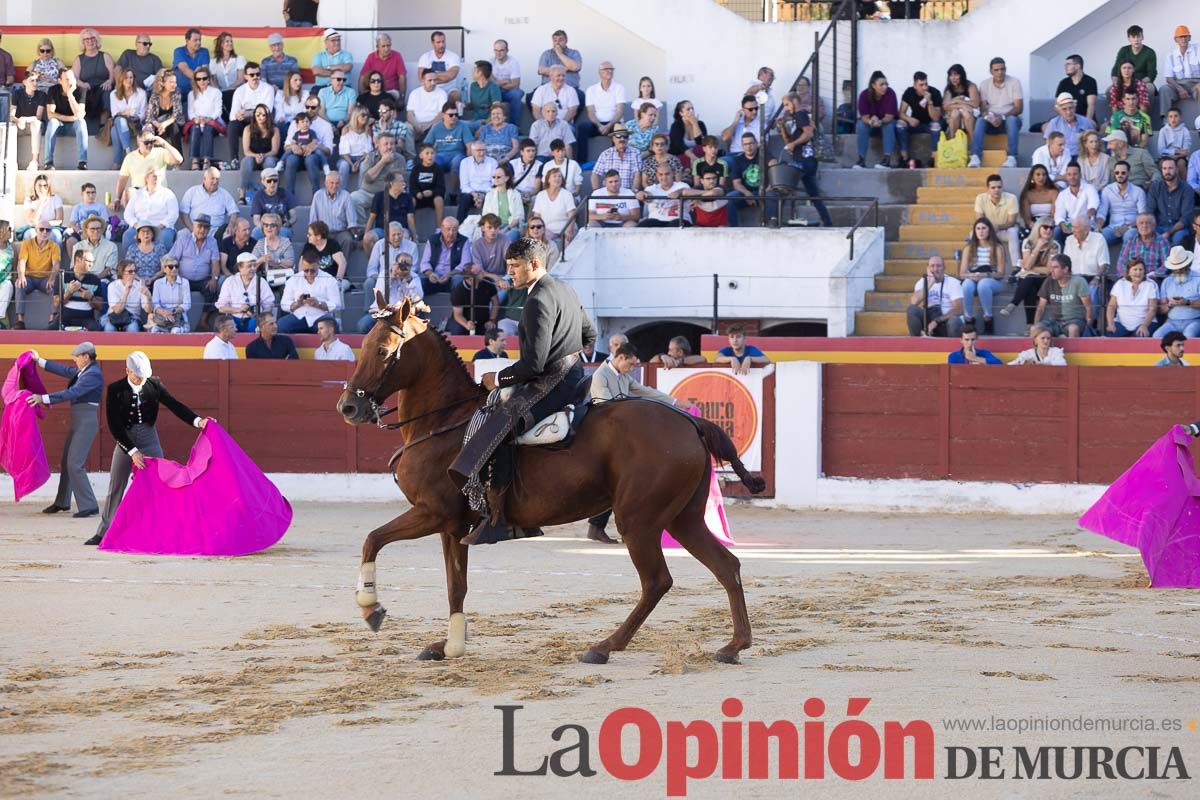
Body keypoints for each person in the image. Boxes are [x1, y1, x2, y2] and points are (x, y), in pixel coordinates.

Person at [452, 236, 597, 546]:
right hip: (574, 375)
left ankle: (500, 520)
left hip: (551, 383)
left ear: (534, 264)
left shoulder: (537, 301)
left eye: (514, 266)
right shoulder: (566, 290)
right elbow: (590, 334)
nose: (509, 273)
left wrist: (499, 378)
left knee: (499, 428)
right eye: (507, 266)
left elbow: (533, 365)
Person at [583, 342, 698, 545]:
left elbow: (646, 391)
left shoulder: (622, 376)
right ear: (620, 358)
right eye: (631, 363)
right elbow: (605, 407)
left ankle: (598, 527)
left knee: (621, 483)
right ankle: (601, 527)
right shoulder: (600, 376)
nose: (632, 368)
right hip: (602, 437)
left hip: (616, 434)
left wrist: (674, 402)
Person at [89, 351, 208, 545]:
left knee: (161, 483)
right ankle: (104, 532)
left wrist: (197, 421)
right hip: (125, 439)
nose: (142, 379)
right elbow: (115, 425)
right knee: (116, 484)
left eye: (144, 375)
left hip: (149, 437)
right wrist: (132, 451)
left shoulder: (154, 384)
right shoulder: (115, 390)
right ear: (127, 370)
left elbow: (174, 405)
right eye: (138, 375)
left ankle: (163, 529)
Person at [25, 343, 102, 518]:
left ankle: (89, 505)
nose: (74, 359)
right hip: (79, 420)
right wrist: (39, 360)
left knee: (74, 463)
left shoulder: (93, 375)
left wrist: (42, 398)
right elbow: (63, 370)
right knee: (67, 460)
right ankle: (62, 502)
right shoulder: (84, 371)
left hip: (86, 421)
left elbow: (72, 393)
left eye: (77, 356)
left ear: (86, 357)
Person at [1001, 217, 1059, 323]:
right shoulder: (1028, 242)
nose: (1048, 230)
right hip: (1029, 281)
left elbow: (1047, 270)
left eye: (1051, 228)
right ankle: (1030, 325)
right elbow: (1028, 266)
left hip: (1045, 281)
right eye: (1045, 227)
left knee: (1029, 277)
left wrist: (1030, 267)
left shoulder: (1054, 245)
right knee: (1030, 287)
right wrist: (1038, 247)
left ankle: (1014, 303)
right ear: (1038, 228)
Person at [969, 57, 1022, 169]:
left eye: (1002, 69)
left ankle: (1012, 157)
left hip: (1008, 121)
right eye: (996, 70)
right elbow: (983, 108)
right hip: (991, 120)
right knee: (980, 120)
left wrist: (1002, 117)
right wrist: (990, 117)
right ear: (991, 71)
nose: (1000, 72)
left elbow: (1019, 108)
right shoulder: (984, 84)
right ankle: (975, 157)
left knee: (1012, 119)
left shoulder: (1014, 82)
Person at [13, 222, 61, 330]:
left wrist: (52, 278)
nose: (44, 232)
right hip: (29, 278)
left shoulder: (54, 246)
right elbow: (22, 261)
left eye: (48, 230)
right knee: (19, 285)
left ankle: (52, 320)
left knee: (55, 287)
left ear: (51, 232)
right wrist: (21, 276)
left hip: (45, 279)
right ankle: (20, 321)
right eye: (41, 229)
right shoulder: (26, 243)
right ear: (36, 230)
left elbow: (56, 264)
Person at [577, 61, 627, 163]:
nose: (609, 71)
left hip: (613, 123)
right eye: (606, 69)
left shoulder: (619, 88)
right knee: (582, 127)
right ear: (600, 73)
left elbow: (620, 111)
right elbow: (590, 112)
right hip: (597, 124)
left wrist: (609, 125)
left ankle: (617, 162)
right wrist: (599, 125)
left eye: (611, 69)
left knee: (619, 130)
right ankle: (581, 162)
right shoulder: (591, 90)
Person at [278, 251, 340, 334]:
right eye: (306, 270)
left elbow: (336, 304)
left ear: (318, 265)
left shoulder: (329, 279)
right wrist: (298, 303)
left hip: (320, 317)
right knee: (280, 326)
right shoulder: (293, 280)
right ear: (302, 266)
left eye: (312, 270)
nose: (309, 273)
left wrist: (318, 304)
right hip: (298, 316)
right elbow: (284, 304)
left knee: (332, 326)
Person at [1033, 253, 1092, 338]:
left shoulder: (1079, 281)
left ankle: (1074, 351)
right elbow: (1041, 308)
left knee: (1073, 328)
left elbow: (1088, 307)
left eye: (1055, 267)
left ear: (1065, 269)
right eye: (1051, 267)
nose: (1051, 271)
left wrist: (1088, 326)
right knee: (1034, 329)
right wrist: (1036, 327)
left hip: (1075, 320)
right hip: (1054, 322)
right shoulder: (1048, 281)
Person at [359, 255, 423, 333]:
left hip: (402, 316)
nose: (404, 267)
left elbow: (419, 298)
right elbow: (379, 294)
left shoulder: (414, 277)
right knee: (363, 325)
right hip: (381, 313)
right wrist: (392, 277)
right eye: (402, 264)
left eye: (408, 265)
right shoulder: (384, 274)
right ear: (395, 264)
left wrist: (409, 280)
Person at [122, 169, 179, 252]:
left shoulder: (168, 194)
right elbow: (128, 213)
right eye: (154, 176)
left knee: (165, 238)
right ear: (146, 178)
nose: (157, 179)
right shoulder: (138, 194)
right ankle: (128, 264)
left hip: (161, 227)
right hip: (139, 227)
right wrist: (136, 225)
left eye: (159, 177)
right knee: (128, 236)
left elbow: (173, 214)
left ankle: (165, 264)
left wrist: (160, 226)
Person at [974, 174, 1021, 271]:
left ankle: (1016, 267)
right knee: (973, 234)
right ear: (988, 189)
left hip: (1004, 230)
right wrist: (989, 229)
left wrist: (998, 227)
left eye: (999, 187)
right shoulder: (980, 198)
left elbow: (1011, 222)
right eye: (993, 187)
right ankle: (976, 265)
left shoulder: (1011, 198)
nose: (996, 190)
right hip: (987, 230)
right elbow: (980, 221)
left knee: (1013, 232)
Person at [909, 255, 964, 337]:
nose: (935, 269)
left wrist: (937, 321)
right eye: (932, 266)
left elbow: (959, 309)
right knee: (912, 309)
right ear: (928, 268)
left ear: (944, 268)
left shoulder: (953, 282)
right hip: (928, 320)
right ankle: (917, 343)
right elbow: (914, 302)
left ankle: (952, 347)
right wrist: (930, 283)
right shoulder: (922, 282)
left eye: (938, 266)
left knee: (954, 321)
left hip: (946, 322)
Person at [43, 69, 88, 170]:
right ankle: (48, 162)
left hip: (73, 127)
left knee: (81, 123)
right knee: (52, 123)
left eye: (72, 79)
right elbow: (50, 114)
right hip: (58, 126)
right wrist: (71, 118)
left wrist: (70, 95)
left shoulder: (81, 90)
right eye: (67, 79)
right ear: (60, 81)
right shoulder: (53, 90)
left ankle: (82, 162)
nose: (70, 82)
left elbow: (79, 114)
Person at [897, 71, 942, 168]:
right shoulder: (909, 92)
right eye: (921, 85)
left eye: (926, 84)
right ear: (915, 86)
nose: (924, 87)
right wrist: (909, 119)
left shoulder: (935, 92)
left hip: (930, 124)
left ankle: (934, 158)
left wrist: (929, 101)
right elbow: (901, 113)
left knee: (936, 125)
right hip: (915, 124)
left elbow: (936, 117)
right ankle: (904, 158)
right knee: (900, 124)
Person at [1098, 159, 1149, 246]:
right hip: (1113, 228)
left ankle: (1126, 259)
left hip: (1132, 228)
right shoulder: (1107, 190)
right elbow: (1102, 212)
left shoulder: (1138, 191)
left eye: (1123, 173)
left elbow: (1142, 216)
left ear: (1129, 173)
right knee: (1099, 238)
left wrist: (1128, 227)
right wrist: (1098, 227)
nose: (1120, 175)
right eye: (1117, 173)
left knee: (1129, 236)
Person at [853, 71, 898, 169]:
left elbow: (889, 116)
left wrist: (880, 121)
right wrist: (871, 121)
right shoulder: (864, 95)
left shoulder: (890, 93)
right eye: (881, 84)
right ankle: (861, 160)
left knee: (889, 125)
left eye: (886, 84)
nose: (885, 87)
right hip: (872, 124)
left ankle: (887, 159)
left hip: (885, 122)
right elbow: (864, 116)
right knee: (861, 125)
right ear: (873, 85)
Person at [217, 251, 271, 332]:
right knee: (222, 325)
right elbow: (221, 307)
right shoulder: (230, 281)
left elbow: (269, 304)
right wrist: (238, 309)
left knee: (257, 324)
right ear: (240, 267)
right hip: (234, 318)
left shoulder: (261, 281)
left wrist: (258, 314)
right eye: (249, 266)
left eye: (254, 265)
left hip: (255, 319)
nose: (253, 268)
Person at [1148, 156, 1196, 246]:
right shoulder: (1155, 187)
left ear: (1177, 170)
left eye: (1170, 168)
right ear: (1161, 170)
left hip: (1180, 228)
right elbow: (1150, 211)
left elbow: (1186, 218)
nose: (1167, 171)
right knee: (1147, 236)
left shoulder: (1187, 189)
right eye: (1164, 168)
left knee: (1178, 239)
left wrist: (1169, 233)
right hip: (1159, 226)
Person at [1153, 247, 1200, 339]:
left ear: (1187, 265)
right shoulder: (1167, 281)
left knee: (1188, 337)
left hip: (1194, 321)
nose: (1178, 270)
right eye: (1175, 268)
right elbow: (1161, 310)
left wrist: (1187, 302)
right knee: (1156, 337)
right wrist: (1170, 305)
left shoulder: (1198, 278)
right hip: (1171, 322)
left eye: (1181, 267)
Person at [1104, 258, 1157, 337]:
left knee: (1141, 337)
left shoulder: (1150, 285)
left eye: (1141, 269)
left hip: (1143, 322)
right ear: (1128, 272)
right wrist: (1111, 324)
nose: (1138, 272)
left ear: (1144, 272)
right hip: (1121, 322)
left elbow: (1153, 309)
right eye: (1135, 269)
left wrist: (1144, 325)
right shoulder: (1120, 283)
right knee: (1110, 338)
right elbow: (1111, 306)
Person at [239, 104, 281, 201]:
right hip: (253, 156)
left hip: (268, 155)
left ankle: (270, 193)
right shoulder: (248, 129)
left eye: (263, 115)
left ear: (268, 116)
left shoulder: (274, 129)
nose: (260, 117)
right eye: (258, 115)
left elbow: (274, 150)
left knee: (269, 161)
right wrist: (256, 155)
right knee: (246, 161)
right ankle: (242, 194)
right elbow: (246, 151)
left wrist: (263, 155)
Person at [1111, 26, 1157, 110]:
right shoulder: (1124, 50)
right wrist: (1116, 83)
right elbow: (1115, 70)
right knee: (1109, 90)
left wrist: (1137, 84)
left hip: (1143, 82)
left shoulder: (1149, 52)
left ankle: (1145, 118)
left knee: (1150, 88)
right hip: (1124, 81)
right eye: (1133, 37)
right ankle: (1118, 118)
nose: (1136, 40)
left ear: (1142, 37)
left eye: (1138, 36)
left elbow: (1152, 74)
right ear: (1129, 39)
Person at [1160, 25, 1200, 122]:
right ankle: (1166, 121)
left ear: (1189, 38)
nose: (1183, 39)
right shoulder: (1171, 55)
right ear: (1175, 40)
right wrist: (1180, 89)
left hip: (1196, 83)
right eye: (1180, 37)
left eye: (1186, 36)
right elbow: (1169, 78)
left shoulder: (1198, 50)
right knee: (1164, 89)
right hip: (1178, 85)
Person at [109, 67, 147, 169]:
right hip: (120, 124)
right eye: (126, 78)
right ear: (121, 79)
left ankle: (117, 162)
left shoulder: (141, 93)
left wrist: (129, 114)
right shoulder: (113, 94)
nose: (129, 80)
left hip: (135, 124)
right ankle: (128, 152)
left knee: (116, 127)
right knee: (117, 124)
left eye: (131, 77)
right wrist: (126, 113)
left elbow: (143, 114)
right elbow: (114, 114)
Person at [1052, 163, 1099, 245]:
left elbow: (1093, 206)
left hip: (1086, 223)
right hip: (1070, 224)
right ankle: (1062, 256)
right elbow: (1059, 215)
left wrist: (1084, 220)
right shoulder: (1063, 194)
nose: (1072, 177)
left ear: (1080, 175)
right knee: (1057, 232)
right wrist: (1062, 224)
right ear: (1066, 176)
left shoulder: (1089, 188)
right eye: (1069, 174)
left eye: (1075, 174)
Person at [10, 73, 47, 172]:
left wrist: (24, 119)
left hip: (33, 123)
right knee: (10, 127)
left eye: (36, 81)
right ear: (24, 82)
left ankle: (34, 161)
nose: (35, 83)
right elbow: (12, 114)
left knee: (36, 124)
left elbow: (38, 116)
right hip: (20, 124)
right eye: (32, 80)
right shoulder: (17, 93)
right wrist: (18, 120)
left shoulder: (41, 95)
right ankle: (11, 161)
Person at [1117, 212, 1171, 279]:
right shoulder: (1130, 241)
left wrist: (1154, 274)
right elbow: (1121, 263)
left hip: (1153, 279)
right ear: (1137, 225)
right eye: (1141, 223)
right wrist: (1126, 276)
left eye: (1148, 223)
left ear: (1154, 225)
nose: (1144, 226)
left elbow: (1167, 264)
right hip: (1131, 279)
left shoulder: (1162, 241)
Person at [590, 124, 642, 193]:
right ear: (613, 138)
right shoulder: (606, 154)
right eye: (618, 136)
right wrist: (596, 193)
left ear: (628, 138)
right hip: (608, 194)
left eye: (625, 136)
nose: (622, 139)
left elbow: (637, 175)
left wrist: (632, 194)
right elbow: (595, 175)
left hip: (627, 194)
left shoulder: (635, 153)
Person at [447, 267, 498, 335]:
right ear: (470, 279)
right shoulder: (458, 291)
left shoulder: (488, 285)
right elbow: (458, 314)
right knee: (459, 332)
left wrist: (491, 320)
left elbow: (495, 302)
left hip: (484, 321)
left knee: (491, 333)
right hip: (463, 321)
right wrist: (466, 324)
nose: (483, 274)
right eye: (479, 273)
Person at [635, 164, 688, 228]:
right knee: (644, 225)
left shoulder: (682, 185)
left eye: (667, 174)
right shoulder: (651, 188)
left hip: (677, 220)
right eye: (661, 174)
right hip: (656, 220)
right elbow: (647, 194)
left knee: (675, 224)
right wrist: (641, 193)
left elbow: (685, 191)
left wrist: (678, 192)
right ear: (657, 175)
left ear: (673, 174)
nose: (664, 177)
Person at [484, 163, 527, 241]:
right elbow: (485, 215)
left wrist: (507, 228)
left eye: (499, 177)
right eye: (494, 177)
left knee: (506, 239)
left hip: (511, 227)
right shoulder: (489, 194)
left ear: (507, 178)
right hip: (494, 227)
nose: (495, 179)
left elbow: (519, 216)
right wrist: (494, 230)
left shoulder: (515, 194)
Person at [418, 30, 464, 104]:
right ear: (433, 43)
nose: (442, 45)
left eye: (443, 41)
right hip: (430, 88)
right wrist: (445, 77)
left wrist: (431, 76)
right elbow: (421, 77)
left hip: (449, 89)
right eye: (438, 42)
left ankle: (454, 115)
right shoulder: (425, 57)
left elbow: (452, 75)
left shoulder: (453, 56)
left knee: (456, 95)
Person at [458, 140, 498, 223]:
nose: (482, 153)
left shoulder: (492, 162)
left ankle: (492, 225)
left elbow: (494, 183)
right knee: (464, 198)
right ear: (472, 152)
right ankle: (460, 226)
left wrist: (483, 195)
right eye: (479, 150)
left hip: (487, 192)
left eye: (483, 150)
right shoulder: (465, 162)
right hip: (470, 193)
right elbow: (464, 185)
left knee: (493, 197)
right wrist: (475, 195)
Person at [1043, 93, 1094, 158]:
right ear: (1059, 110)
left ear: (1075, 107)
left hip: (1081, 158)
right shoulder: (1054, 123)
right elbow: (1048, 145)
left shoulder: (1085, 122)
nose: (1068, 112)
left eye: (1071, 108)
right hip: (1061, 158)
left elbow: (1093, 142)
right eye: (1064, 109)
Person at [536, 30, 583, 100]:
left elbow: (575, 67)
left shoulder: (574, 53)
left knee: (581, 97)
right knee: (530, 97)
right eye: (555, 40)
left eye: (560, 40)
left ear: (566, 41)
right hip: (548, 88)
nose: (557, 43)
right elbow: (541, 70)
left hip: (570, 88)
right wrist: (565, 69)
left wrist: (560, 54)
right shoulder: (546, 54)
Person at [302, 220, 349, 290]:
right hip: (315, 279)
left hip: (335, 279)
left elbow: (342, 263)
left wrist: (338, 280)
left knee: (337, 287)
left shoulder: (332, 244)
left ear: (318, 236)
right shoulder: (308, 246)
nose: (307, 236)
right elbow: (301, 264)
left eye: (310, 234)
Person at [534, 167, 578, 241]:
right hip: (547, 230)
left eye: (559, 176)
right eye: (554, 176)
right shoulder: (541, 195)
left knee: (567, 245)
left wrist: (569, 230)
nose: (557, 178)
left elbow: (572, 215)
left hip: (565, 229)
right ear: (548, 180)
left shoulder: (567, 194)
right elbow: (537, 216)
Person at [149, 257, 191, 333]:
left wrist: (172, 311)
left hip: (178, 316)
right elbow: (155, 303)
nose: (174, 269)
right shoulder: (158, 283)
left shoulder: (184, 282)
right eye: (171, 267)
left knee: (175, 332)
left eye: (176, 266)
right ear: (164, 269)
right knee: (154, 331)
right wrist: (164, 312)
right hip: (161, 317)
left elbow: (187, 304)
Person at [104, 260, 149, 332]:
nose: (133, 274)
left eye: (135, 271)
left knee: (132, 328)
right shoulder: (113, 286)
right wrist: (126, 292)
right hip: (115, 317)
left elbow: (148, 310)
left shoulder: (139, 285)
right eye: (130, 271)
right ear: (121, 273)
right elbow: (117, 310)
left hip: (133, 317)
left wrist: (148, 296)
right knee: (109, 328)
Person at [491, 40, 523, 133]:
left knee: (516, 94)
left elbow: (515, 84)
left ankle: (514, 127)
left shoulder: (513, 62)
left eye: (501, 50)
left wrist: (497, 83)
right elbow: (489, 82)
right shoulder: (490, 62)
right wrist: (504, 82)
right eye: (496, 50)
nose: (498, 53)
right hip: (495, 91)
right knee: (489, 91)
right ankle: (490, 127)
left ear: (507, 50)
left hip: (508, 92)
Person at [411, 143, 447, 225]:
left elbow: (441, 187)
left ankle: (438, 228)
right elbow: (412, 185)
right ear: (421, 156)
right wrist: (417, 193)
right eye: (427, 153)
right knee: (411, 200)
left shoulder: (438, 169)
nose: (430, 156)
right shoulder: (416, 169)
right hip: (419, 197)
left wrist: (432, 192)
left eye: (432, 153)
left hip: (433, 197)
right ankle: (411, 228)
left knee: (439, 199)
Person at [361, 32, 406, 99]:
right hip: (375, 90)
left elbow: (402, 77)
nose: (386, 49)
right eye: (383, 46)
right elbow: (363, 76)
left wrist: (402, 97)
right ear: (377, 47)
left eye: (388, 45)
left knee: (390, 96)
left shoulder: (397, 56)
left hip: (391, 91)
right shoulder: (371, 57)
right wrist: (362, 94)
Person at [942, 64, 979, 143]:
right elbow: (945, 106)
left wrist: (958, 101)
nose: (953, 78)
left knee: (966, 113)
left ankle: (973, 144)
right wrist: (962, 105)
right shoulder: (949, 88)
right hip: (953, 116)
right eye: (951, 75)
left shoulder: (970, 86)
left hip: (970, 115)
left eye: (956, 75)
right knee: (955, 112)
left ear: (962, 75)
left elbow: (975, 103)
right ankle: (953, 142)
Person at [1056, 54, 1098, 122]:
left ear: (1078, 66)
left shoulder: (1090, 81)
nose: (1065, 67)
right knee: (1043, 126)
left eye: (1068, 64)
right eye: (1065, 65)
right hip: (1067, 119)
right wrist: (1067, 121)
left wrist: (1086, 123)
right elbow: (1057, 105)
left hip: (1085, 119)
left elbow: (1091, 105)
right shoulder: (1063, 83)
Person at [407, 71, 449, 139]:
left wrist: (428, 125)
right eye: (430, 80)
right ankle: (410, 150)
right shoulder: (414, 93)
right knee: (406, 128)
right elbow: (409, 114)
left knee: (440, 126)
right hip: (416, 124)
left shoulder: (442, 93)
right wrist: (417, 126)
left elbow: (442, 114)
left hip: (434, 124)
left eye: (435, 80)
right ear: (423, 81)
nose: (433, 83)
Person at [669, 100, 708, 172]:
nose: (691, 111)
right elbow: (679, 145)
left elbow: (702, 142)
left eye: (692, 108)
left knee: (700, 148)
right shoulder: (676, 126)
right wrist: (692, 156)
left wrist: (695, 124)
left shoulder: (701, 124)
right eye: (688, 109)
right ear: (681, 113)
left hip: (698, 154)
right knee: (686, 158)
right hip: (681, 153)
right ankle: (688, 173)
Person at [1018, 164, 1059, 231]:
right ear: (1032, 177)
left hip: (1050, 225)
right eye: (1038, 174)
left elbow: (1054, 215)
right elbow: (1027, 219)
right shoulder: (1027, 194)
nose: (1041, 177)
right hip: (1033, 226)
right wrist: (1036, 228)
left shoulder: (1053, 193)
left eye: (1044, 174)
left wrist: (1046, 227)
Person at [311, 29, 352, 93]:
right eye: (333, 40)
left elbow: (348, 67)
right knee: (312, 99)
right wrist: (338, 73)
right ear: (326, 42)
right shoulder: (319, 55)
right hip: (322, 87)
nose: (337, 43)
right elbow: (316, 71)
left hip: (343, 87)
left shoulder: (347, 54)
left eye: (338, 40)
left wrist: (329, 67)